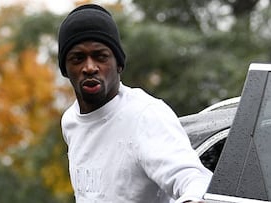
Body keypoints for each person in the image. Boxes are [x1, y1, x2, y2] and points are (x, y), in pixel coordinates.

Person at [58, 4, 212, 203]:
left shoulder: (146, 115)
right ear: (65, 68)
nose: (89, 67)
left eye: (100, 56)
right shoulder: (70, 121)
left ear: (119, 63)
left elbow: (195, 179)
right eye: (78, 58)